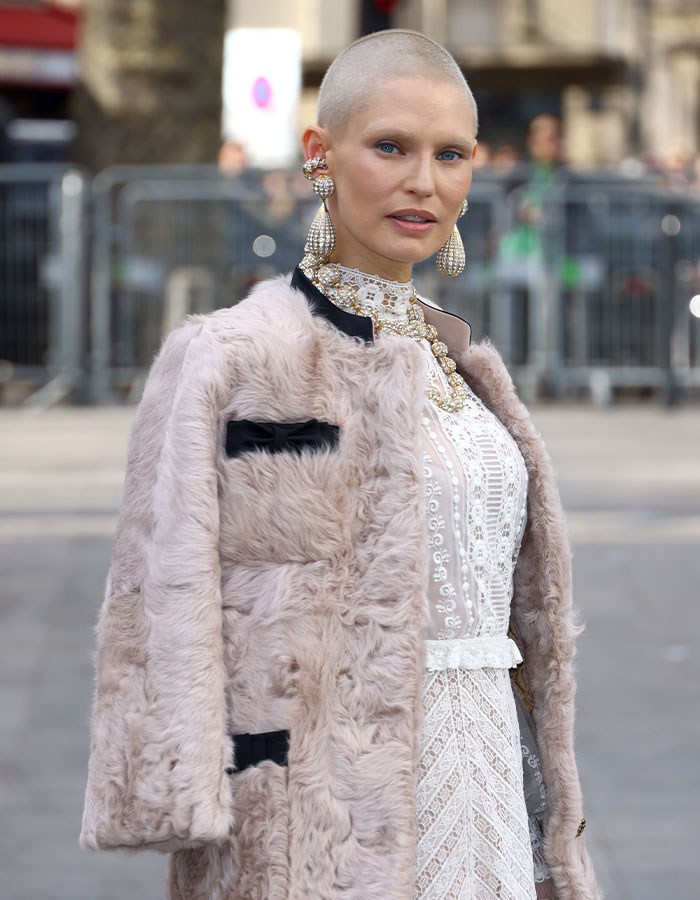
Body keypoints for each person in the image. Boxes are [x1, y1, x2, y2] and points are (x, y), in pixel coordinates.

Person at [79, 29, 601, 900]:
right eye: (390, 146)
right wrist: (182, 795)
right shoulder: (232, 354)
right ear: (321, 155)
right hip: (316, 814)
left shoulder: (467, 365)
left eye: (452, 155)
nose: (423, 181)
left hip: (490, 782)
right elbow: (158, 591)